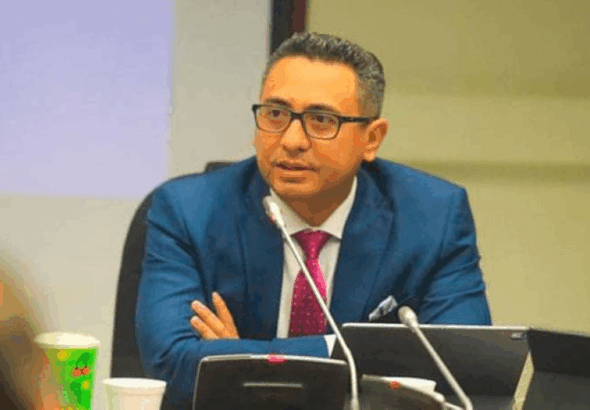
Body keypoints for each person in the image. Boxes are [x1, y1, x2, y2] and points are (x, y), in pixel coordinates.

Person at [136, 32, 492, 407]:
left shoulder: (433, 217)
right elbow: (171, 364)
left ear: (372, 138)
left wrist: (240, 358)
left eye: (321, 120)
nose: (292, 140)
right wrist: (364, 354)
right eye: (275, 114)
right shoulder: (189, 210)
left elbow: (460, 367)